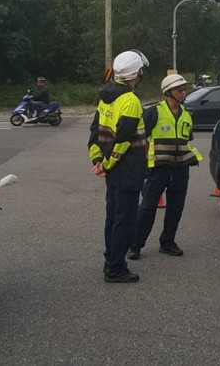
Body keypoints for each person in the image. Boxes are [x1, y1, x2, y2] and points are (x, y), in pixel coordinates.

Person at [88, 50, 149, 283]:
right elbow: (123, 140)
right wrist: (108, 164)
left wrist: (97, 161)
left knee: (113, 217)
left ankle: (110, 260)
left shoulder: (105, 96)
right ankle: (116, 268)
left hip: (112, 169)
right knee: (125, 219)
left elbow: (95, 132)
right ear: (135, 73)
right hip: (127, 167)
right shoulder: (130, 100)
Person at [127, 74, 202, 260]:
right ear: (168, 92)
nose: (183, 93)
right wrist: (143, 164)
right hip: (158, 168)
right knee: (147, 208)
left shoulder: (186, 114)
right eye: (179, 90)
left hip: (180, 169)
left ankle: (167, 242)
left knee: (176, 207)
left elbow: (186, 140)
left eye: (184, 90)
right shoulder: (154, 112)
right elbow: (141, 137)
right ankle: (135, 245)